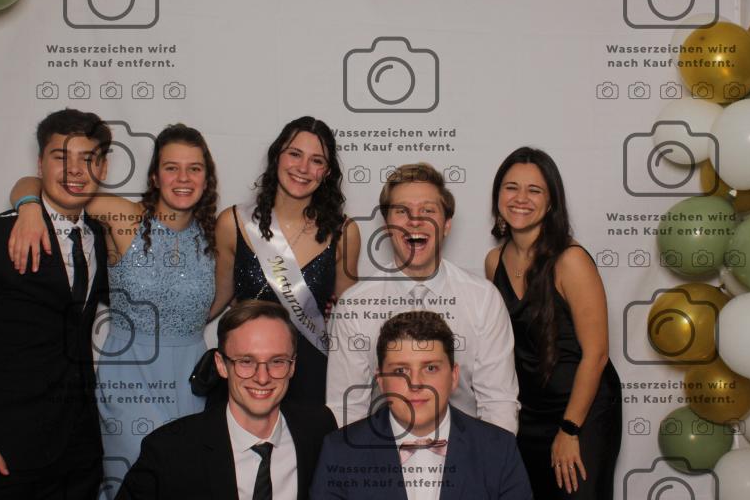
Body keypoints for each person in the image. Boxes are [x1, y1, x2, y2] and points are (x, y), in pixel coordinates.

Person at [7, 124, 219, 498]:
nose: (183, 178)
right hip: (130, 376)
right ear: (155, 176)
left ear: (207, 178)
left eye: (194, 168)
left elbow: (221, 298)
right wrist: (28, 208)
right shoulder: (125, 217)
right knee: (134, 480)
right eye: (171, 167)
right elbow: (38, 185)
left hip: (193, 379)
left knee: (189, 482)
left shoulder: (215, 234)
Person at [0, 109, 111, 498]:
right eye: (60, 157)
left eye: (88, 159)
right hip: (4, 453)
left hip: (79, 452)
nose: (75, 170)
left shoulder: (99, 237)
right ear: (39, 164)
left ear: (103, 168)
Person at [326, 163, 519, 434]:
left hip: (466, 450)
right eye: (402, 211)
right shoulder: (355, 306)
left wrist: (487, 460)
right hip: (382, 452)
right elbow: (346, 409)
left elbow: (498, 403)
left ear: (446, 224)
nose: (415, 220)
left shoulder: (483, 300)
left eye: (428, 210)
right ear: (387, 225)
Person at [484, 147, 622, 499]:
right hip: (529, 412)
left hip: (581, 410)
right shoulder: (494, 261)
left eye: (534, 190)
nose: (520, 198)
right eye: (511, 187)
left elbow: (597, 354)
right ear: (498, 195)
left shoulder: (570, 260)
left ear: (551, 203)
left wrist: (570, 429)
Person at [117, 300, 337, 500]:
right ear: (221, 365)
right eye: (246, 361)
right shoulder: (169, 450)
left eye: (277, 361)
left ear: (292, 366)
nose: (262, 378)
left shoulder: (320, 431)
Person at [211, 116, 360, 407]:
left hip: (312, 373)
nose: (303, 168)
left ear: (327, 172)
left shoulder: (344, 233)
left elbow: (350, 319)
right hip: (248, 372)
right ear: (277, 156)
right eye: (294, 154)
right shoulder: (233, 223)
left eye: (316, 161)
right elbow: (216, 299)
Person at [311, 311, 532, 499]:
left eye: (430, 368)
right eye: (400, 370)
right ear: (381, 380)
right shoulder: (340, 451)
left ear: (454, 376)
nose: (415, 383)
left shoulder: (498, 449)